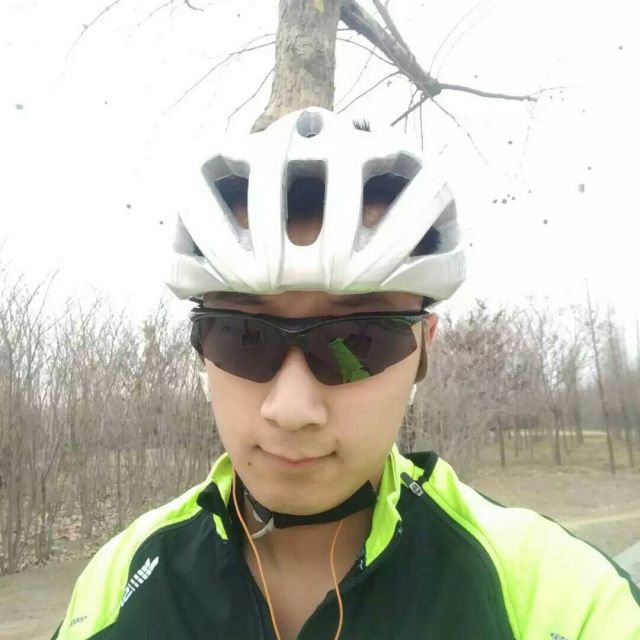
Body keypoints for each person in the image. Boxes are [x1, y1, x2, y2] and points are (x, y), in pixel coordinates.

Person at [52, 108, 640, 640]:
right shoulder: (116, 584)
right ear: (201, 346)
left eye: (359, 341)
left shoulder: (558, 599)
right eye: (240, 336)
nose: (291, 409)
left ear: (424, 349)